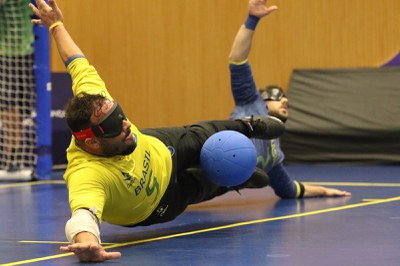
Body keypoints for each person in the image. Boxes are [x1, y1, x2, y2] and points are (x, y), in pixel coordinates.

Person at [29, 0, 285, 262]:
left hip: (159, 146)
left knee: (202, 132)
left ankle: (248, 125)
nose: (126, 124)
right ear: (92, 143)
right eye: (116, 125)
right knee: (206, 183)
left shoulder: (95, 102)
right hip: (158, 203)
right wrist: (88, 243)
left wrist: (56, 25)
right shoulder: (87, 174)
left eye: (120, 115)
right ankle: (235, 179)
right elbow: (82, 216)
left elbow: (75, 61)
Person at [228, 0, 351, 198]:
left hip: (204, 188)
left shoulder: (274, 155)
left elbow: (289, 189)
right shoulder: (250, 103)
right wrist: (252, 19)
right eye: (277, 96)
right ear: (261, 99)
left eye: (286, 99)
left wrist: (324, 191)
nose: (285, 101)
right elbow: (237, 61)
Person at [0, 0, 36, 179]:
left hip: (26, 49)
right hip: (5, 51)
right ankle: (9, 158)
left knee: (21, 108)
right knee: (7, 106)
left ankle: (16, 157)